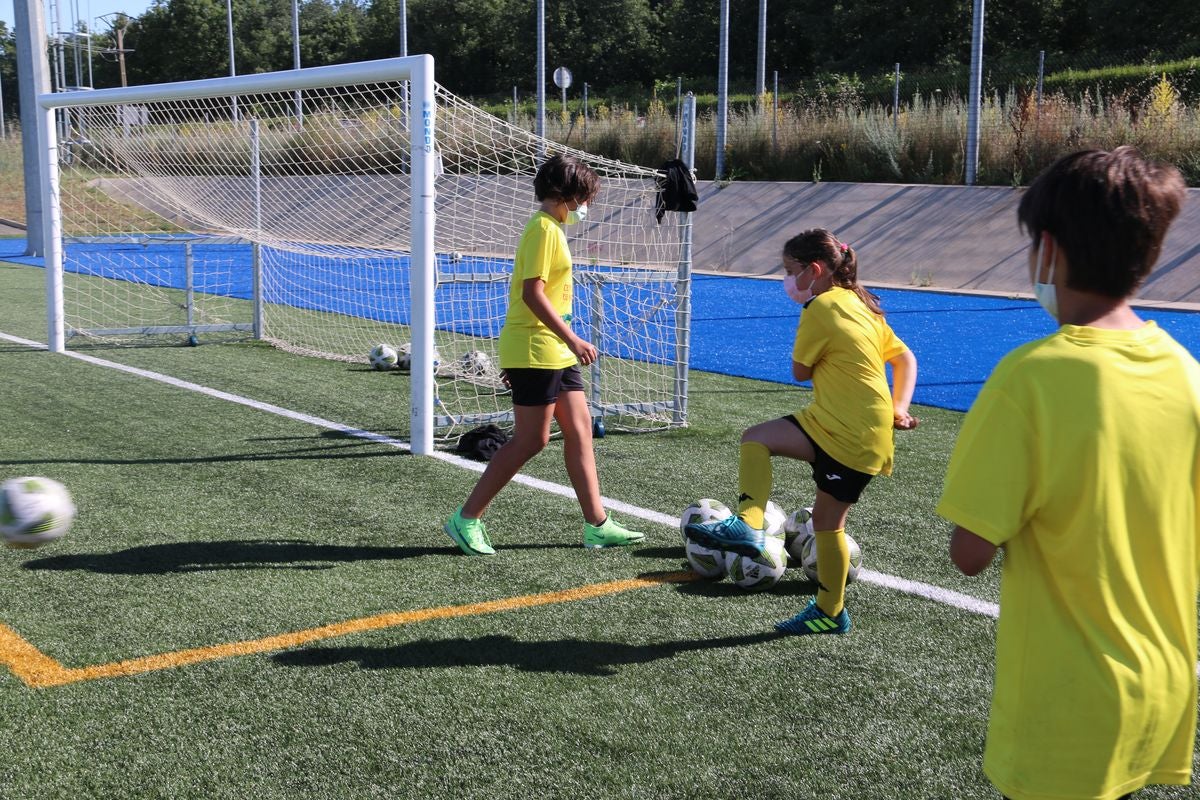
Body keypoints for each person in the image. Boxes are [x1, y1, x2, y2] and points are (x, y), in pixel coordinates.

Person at [937, 147, 1197, 800]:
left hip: (1069, 702)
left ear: (1047, 251)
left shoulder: (1030, 378)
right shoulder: (1186, 374)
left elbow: (969, 553)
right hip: (1162, 686)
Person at [685, 228, 918, 635]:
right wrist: (899, 407)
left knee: (822, 516)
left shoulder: (821, 307)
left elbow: (799, 371)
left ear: (815, 270)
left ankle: (813, 594)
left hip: (850, 434)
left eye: (791, 271)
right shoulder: (861, 304)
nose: (787, 281)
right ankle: (819, 601)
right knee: (764, 447)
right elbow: (905, 359)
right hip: (838, 423)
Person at [444, 153, 645, 555]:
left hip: (553, 350)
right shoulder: (543, 229)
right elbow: (532, 294)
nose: (586, 207)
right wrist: (573, 339)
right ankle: (466, 519)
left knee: (580, 430)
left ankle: (597, 525)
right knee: (531, 440)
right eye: (584, 199)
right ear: (564, 194)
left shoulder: (551, 227)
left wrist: (565, 344)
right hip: (537, 347)